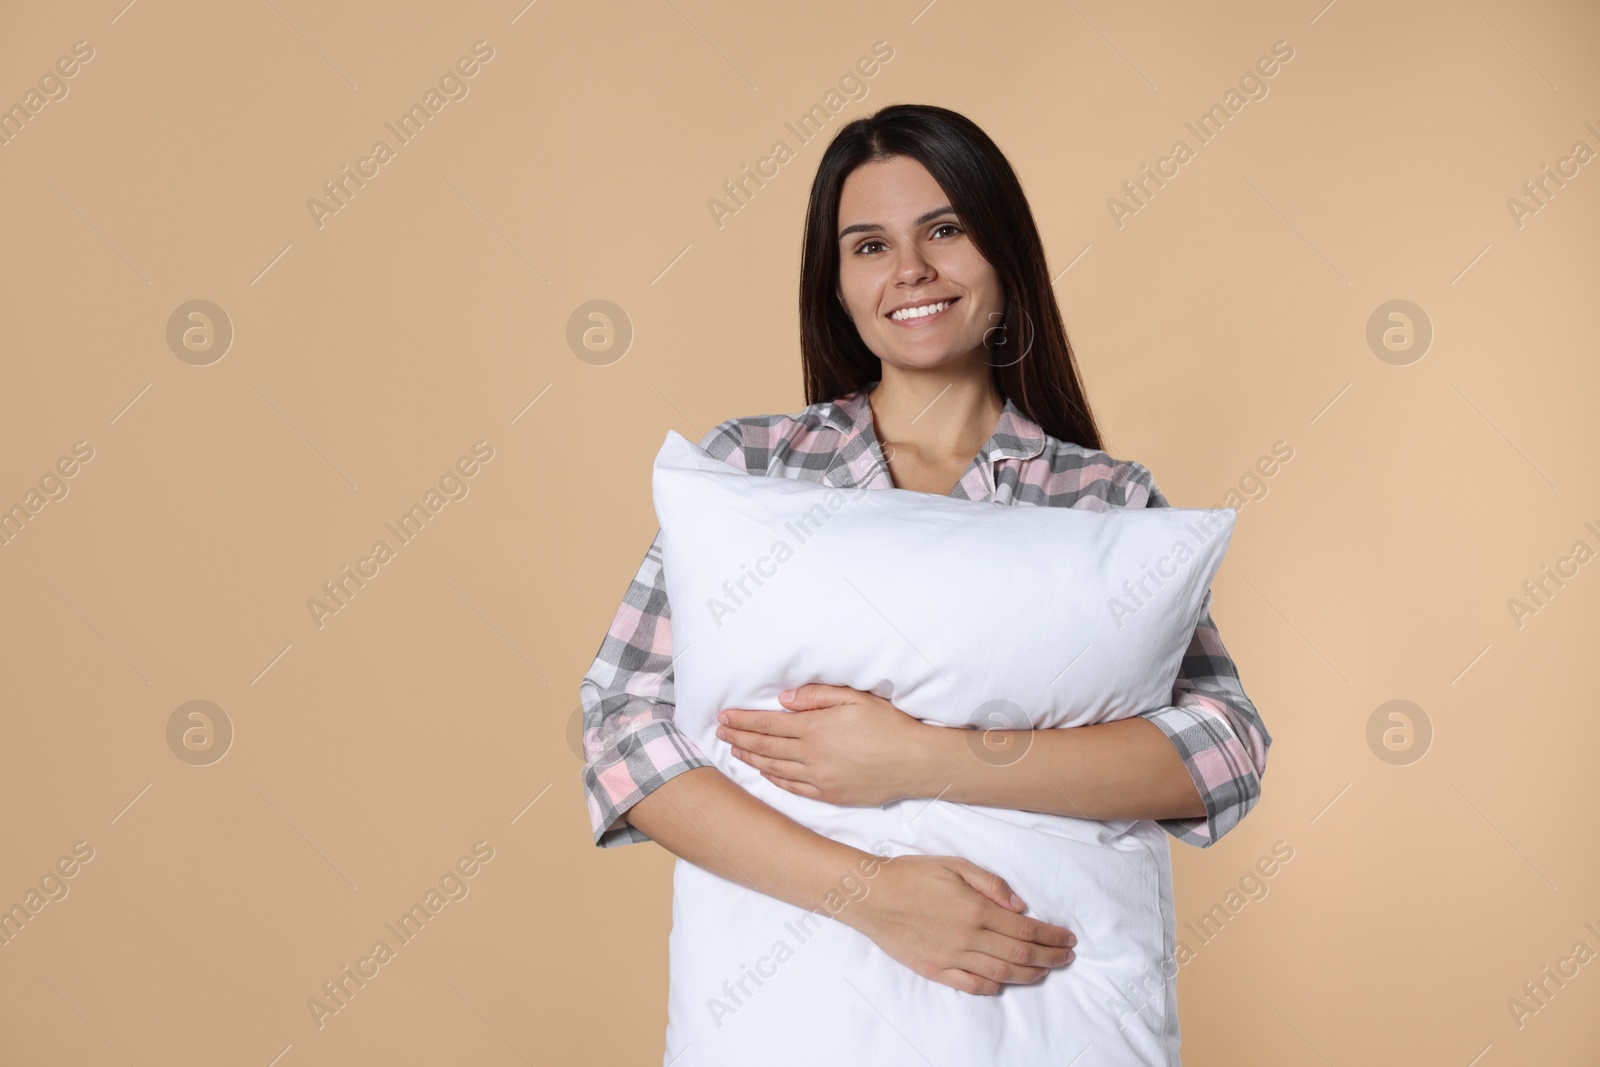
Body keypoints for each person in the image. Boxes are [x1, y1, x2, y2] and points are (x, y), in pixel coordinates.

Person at [579, 102, 1271, 1052]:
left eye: (944, 229)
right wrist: (869, 896)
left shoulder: (1099, 500)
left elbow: (1222, 748)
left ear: (1004, 257)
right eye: (868, 245)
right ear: (838, 283)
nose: (909, 270)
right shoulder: (752, 471)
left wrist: (923, 759)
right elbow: (621, 729)